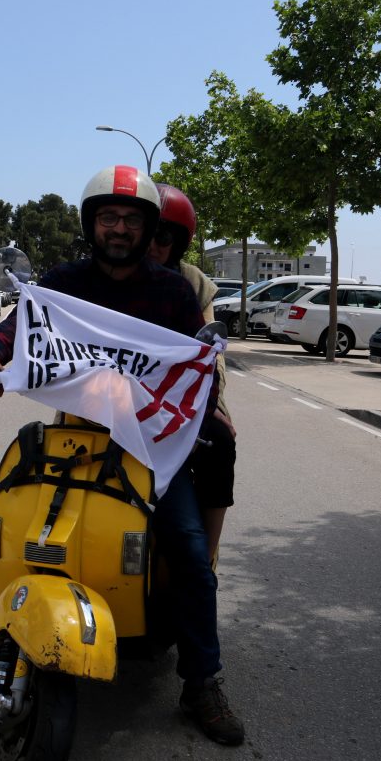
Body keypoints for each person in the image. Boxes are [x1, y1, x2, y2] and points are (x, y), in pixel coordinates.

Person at [0, 165, 244, 747]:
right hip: (76, 435)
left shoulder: (173, 292)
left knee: (185, 544)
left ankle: (201, 680)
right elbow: (19, 327)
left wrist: (206, 402)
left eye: (132, 220)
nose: (119, 229)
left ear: (147, 227)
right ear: (91, 223)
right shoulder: (64, 282)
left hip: (152, 446)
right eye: (109, 217)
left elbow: (193, 368)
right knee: (22, 531)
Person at [148, 184, 236, 563]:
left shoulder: (194, 283)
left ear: (180, 242)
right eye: (143, 232)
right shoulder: (105, 274)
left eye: (163, 237)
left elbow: (211, 353)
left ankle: (208, 556)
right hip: (110, 393)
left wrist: (206, 401)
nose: (151, 245)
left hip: (179, 395)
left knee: (220, 439)